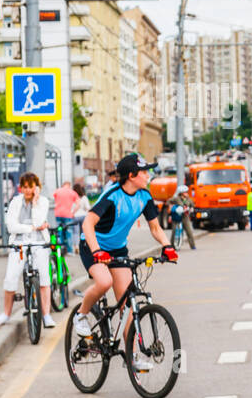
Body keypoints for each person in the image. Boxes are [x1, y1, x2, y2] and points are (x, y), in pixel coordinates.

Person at [71, 156, 176, 370]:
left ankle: (132, 357)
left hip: (118, 250)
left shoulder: (145, 197)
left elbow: (155, 228)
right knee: (103, 282)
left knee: (129, 306)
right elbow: (88, 224)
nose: (149, 175)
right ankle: (81, 316)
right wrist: (96, 251)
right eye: (145, 172)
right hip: (92, 245)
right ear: (131, 176)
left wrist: (167, 246)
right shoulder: (112, 196)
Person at [0, 173, 55, 328]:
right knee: (10, 278)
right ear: (21, 187)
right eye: (24, 187)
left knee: (45, 279)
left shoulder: (43, 201)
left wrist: (36, 201)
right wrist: (32, 227)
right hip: (19, 243)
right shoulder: (15, 202)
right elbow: (11, 226)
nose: (27, 190)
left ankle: (46, 315)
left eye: (31, 187)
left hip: (39, 243)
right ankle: (6, 314)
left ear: (36, 187)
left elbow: (40, 220)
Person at [52, 180, 78, 245]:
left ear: (63, 185)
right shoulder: (72, 192)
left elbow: (52, 200)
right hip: (68, 215)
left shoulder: (57, 191)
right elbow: (78, 204)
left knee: (59, 232)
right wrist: (73, 213)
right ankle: (70, 251)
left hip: (57, 214)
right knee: (69, 232)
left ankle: (60, 249)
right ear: (69, 185)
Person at [174, 185, 197, 250]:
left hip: (185, 217)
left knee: (189, 232)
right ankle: (173, 246)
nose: (186, 193)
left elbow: (192, 204)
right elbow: (169, 202)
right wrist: (170, 207)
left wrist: (191, 208)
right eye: (185, 192)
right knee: (175, 231)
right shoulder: (176, 198)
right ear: (181, 193)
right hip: (177, 216)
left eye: (186, 192)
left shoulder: (188, 199)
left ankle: (192, 246)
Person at [69, 182, 89, 251]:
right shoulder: (84, 198)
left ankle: (76, 246)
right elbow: (88, 208)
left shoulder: (72, 198)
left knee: (75, 232)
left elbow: (70, 207)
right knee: (83, 232)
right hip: (83, 216)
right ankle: (84, 245)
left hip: (75, 216)